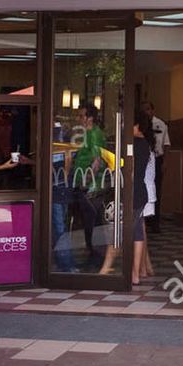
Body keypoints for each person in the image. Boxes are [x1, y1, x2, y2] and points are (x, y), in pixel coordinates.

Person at [70, 104, 107, 261]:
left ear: (90, 117)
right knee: (88, 220)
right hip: (83, 182)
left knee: (93, 221)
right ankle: (93, 253)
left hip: (91, 185)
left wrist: (86, 182)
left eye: (81, 115)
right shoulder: (87, 133)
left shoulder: (95, 134)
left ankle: (97, 256)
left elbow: (97, 160)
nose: (79, 119)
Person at [130, 110, 157, 285]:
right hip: (142, 191)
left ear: (137, 126)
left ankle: (135, 272)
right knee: (139, 230)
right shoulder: (145, 145)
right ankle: (137, 272)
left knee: (134, 231)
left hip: (134, 190)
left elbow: (131, 172)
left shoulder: (135, 144)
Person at [142, 100, 170, 235]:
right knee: (144, 188)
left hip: (157, 158)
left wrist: (165, 162)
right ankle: (144, 220)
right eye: (144, 109)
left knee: (156, 190)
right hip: (144, 159)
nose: (146, 112)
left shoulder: (161, 124)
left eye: (148, 109)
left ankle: (155, 222)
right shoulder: (140, 125)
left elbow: (166, 144)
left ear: (152, 110)